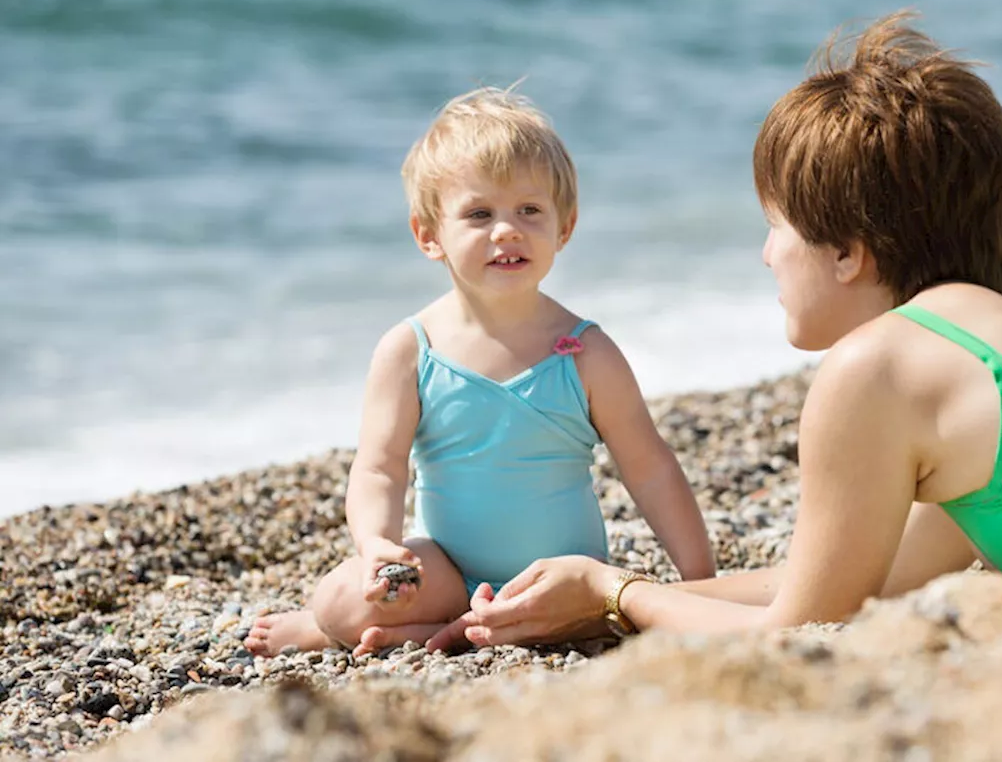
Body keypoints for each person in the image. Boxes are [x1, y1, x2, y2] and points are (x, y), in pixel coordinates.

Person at [425, 11, 1002, 652]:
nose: (765, 255)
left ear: (848, 253)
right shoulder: (995, 337)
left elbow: (802, 628)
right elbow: (863, 578)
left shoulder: (879, 368)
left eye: (777, 226)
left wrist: (614, 589)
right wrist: (592, 588)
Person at [246, 86, 715, 657]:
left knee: (589, 624)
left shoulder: (586, 353)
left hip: (561, 583)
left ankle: (422, 637)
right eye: (479, 214)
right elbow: (379, 470)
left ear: (563, 227)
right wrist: (376, 546)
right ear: (428, 235)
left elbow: (652, 470)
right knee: (337, 599)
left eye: (529, 210)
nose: (506, 231)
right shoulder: (410, 350)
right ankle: (386, 626)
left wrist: (700, 582)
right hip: (448, 574)